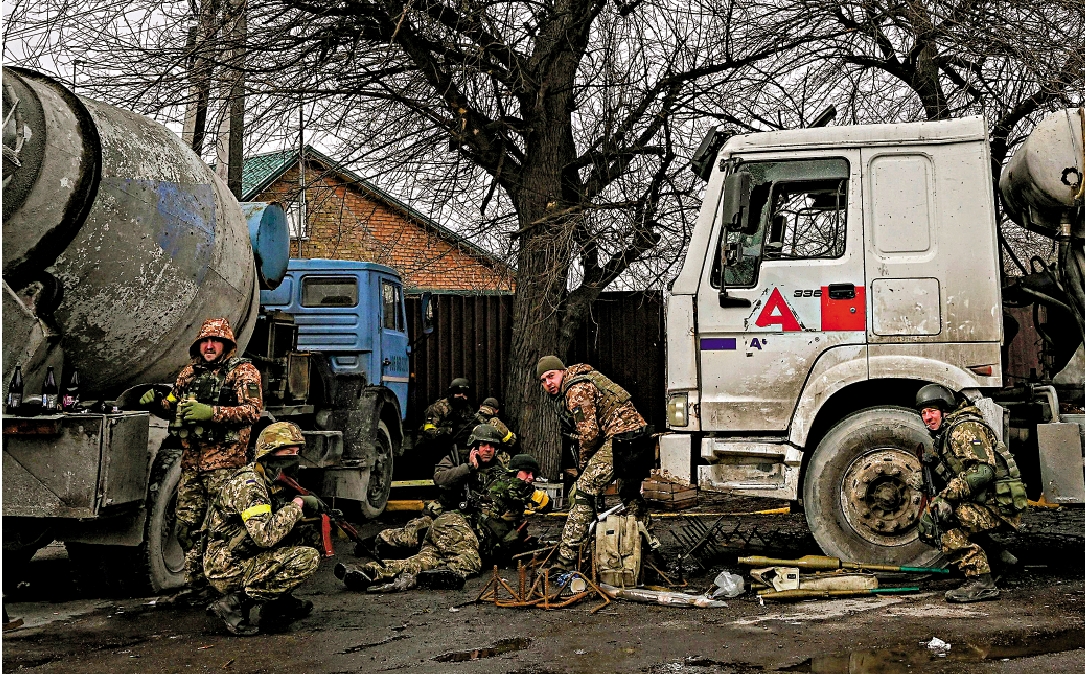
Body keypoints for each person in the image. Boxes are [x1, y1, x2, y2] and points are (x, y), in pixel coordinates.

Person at [139, 318, 262, 596]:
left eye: (215, 341)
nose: (209, 346)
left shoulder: (242, 372)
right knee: (186, 527)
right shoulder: (188, 374)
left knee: (222, 529)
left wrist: (211, 413)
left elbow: (253, 412)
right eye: (205, 341)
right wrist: (156, 404)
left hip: (225, 464)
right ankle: (195, 586)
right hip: (192, 463)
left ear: (226, 345)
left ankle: (225, 587)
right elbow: (172, 406)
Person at [335, 447, 550, 593]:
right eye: (526, 473)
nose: (529, 478)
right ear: (514, 472)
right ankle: (428, 577)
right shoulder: (510, 483)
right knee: (468, 564)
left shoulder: (507, 498)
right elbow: (541, 501)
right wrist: (540, 497)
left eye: (533, 474)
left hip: (451, 532)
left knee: (419, 562)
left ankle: (366, 571)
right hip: (458, 527)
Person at [537, 356, 655, 573]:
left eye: (551, 376)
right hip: (640, 439)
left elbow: (589, 435)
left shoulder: (576, 390)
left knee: (583, 490)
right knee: (629, 494)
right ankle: (649, 555)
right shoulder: (586, 377)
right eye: (543, 381)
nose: (548, 384)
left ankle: (565, 561)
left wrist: (584, 465)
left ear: (562, 371)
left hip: (622, 440)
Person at [912, 384, 1028, 603]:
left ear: (945, 411)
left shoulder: (964, 430)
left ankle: (981, 581)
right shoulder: (950, 431)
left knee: (942, 519)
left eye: (932, 411)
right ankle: (999, 561)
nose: (927, 418)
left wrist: (945, 498)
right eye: (923, 413)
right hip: (992, 501)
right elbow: (960, 472)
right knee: (946, 514)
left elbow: (982, 472)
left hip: (1000, 505)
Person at [203, 422, 322, 635]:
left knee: (306, 537)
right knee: (307, 558)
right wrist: (297, 506)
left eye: (297, 451)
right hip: (226, 565)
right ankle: (234, 603)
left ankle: (278, 603)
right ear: (270, 452)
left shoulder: (269, 478)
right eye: (288, 451)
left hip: (241, 552)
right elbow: (265, 537)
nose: (294, 457)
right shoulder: (250, 485)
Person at [421, 378, 477, 453]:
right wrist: (446, 430)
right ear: (451, 393)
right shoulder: (437, 408)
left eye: (465, 393)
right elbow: (428, 432)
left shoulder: (467, 409)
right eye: (458, 393)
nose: (461, 396)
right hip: (436, 447)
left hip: (458, 448)